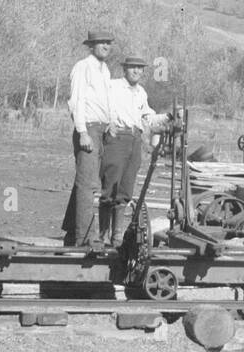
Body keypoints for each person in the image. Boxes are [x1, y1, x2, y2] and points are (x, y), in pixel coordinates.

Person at [101, 56, 173, 245]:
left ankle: (116, 235)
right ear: (125, 69)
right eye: (133, 68)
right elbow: (97, 103)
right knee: (110, 185)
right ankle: (101, 235)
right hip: (117, 139)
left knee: (125, 188)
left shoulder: (141, 92)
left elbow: (148, 117)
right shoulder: (112, 86)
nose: (136, 71)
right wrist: (106, 122)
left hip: (135, 140)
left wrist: (169, 117)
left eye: (140, 69)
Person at [61, 30, 115, 246]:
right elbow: (76, 101)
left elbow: (105, 101)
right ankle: (84, 239)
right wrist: (82, 132)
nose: (105, 46)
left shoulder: (105, 70)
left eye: (108, 43)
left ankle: (72, 231)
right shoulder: (83, 66)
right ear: (91, 46)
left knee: (86, 180)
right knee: (87, 184)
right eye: (101, 43)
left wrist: (110, 122)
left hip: (101, 130)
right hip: (89, 129)